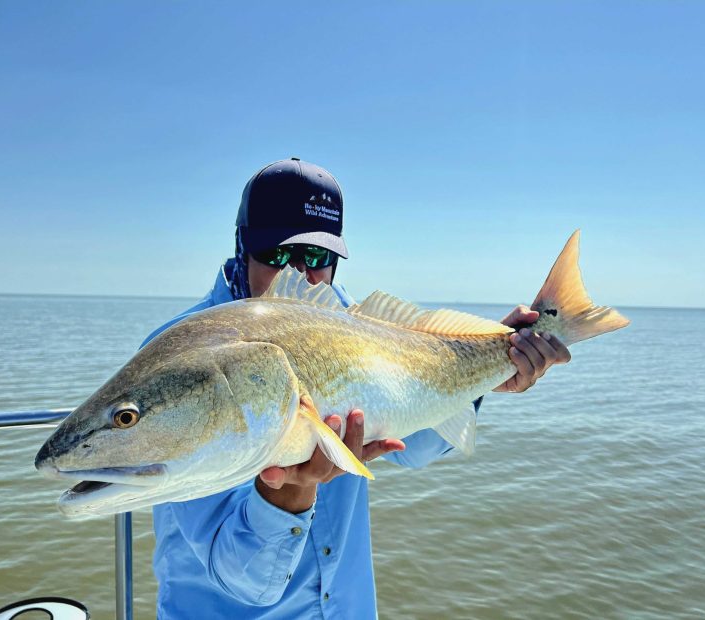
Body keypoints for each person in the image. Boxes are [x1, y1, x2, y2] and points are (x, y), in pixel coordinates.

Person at [144, 158, 571, 619]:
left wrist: (486, 370)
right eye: (280, 256)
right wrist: (288, 496)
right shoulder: (184, 358)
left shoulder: (354, 322)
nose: (302, 276)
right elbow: (242, 579)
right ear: (241, 244)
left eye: (318, 258)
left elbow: (414, 447)